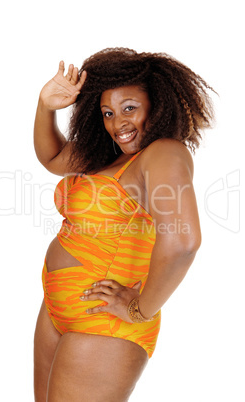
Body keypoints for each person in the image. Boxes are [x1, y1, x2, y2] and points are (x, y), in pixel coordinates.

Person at [33, 47, 214, 401]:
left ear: (158, 105)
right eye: (108, 113)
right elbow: (53, 157)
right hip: (57, 308)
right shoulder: (110, 157)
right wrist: (45, 107)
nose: (118, 124)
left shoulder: (164, 152)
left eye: (129, 107)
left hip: (105, 323)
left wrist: (140, 308)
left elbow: (183, 241)